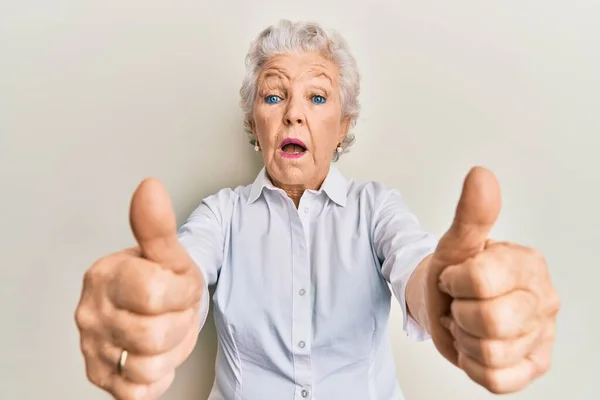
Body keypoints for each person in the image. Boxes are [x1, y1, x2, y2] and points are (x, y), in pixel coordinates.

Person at [74, 20, 560, 400]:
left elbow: (419, 271)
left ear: (343, 124)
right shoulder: (221, 216)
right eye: (273, 95)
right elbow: (184, 278)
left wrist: (452, 301)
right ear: (255, 121)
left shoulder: (376, 209)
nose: (294, 113)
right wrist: (153, 313)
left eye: (318, 97)